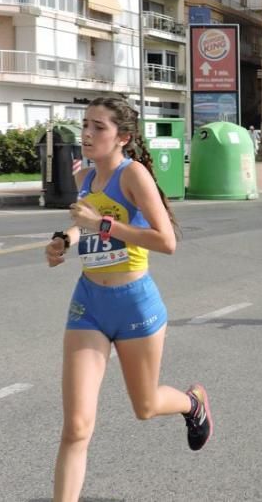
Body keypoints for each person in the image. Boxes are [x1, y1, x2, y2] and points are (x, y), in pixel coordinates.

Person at [44, 96, 212, 501]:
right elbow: (84, 226)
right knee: (77, 427)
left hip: (134, 302)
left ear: (123, 137)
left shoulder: (132, 174)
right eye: (85, 124)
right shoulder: (87, 176)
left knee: (146, 406)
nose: (86, 133)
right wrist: (63, 239)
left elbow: (166, 241)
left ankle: (192, 404)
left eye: (98, 127)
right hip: (89, 305)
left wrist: (102, 224)